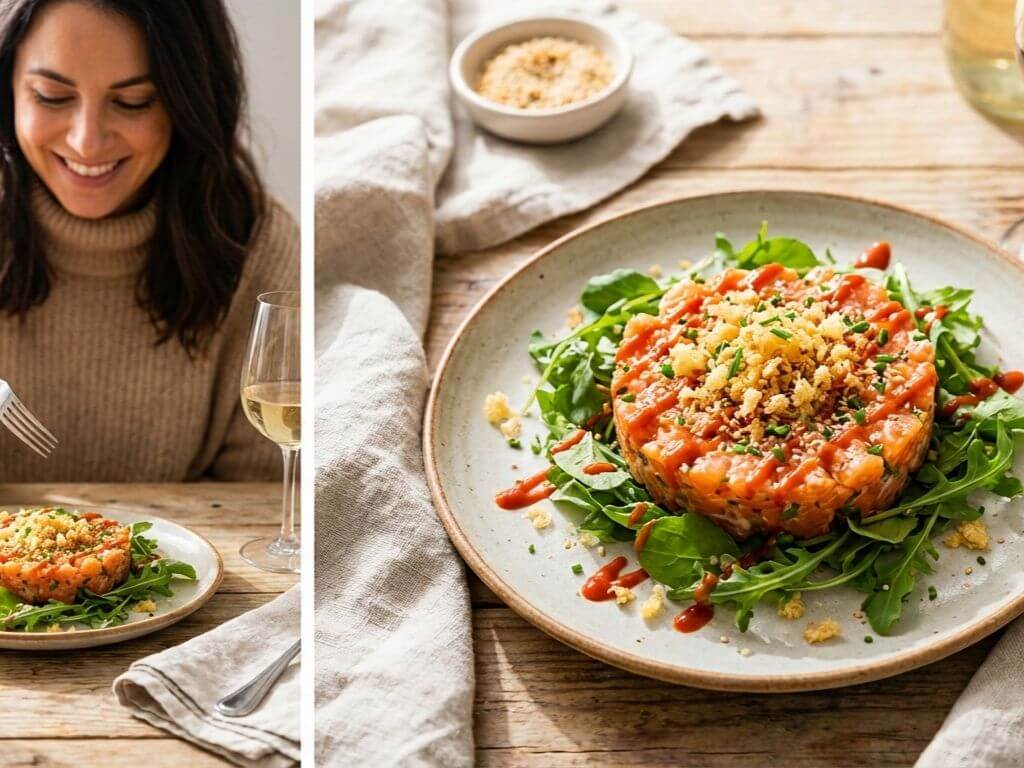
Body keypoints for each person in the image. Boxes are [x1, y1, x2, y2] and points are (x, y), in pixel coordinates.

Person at [0, 0, 298, 481]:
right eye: (52, 96)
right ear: (8, 86)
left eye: (133, 101)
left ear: (188, 101)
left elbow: (262, 506)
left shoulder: (260, 248)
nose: (86, 142)